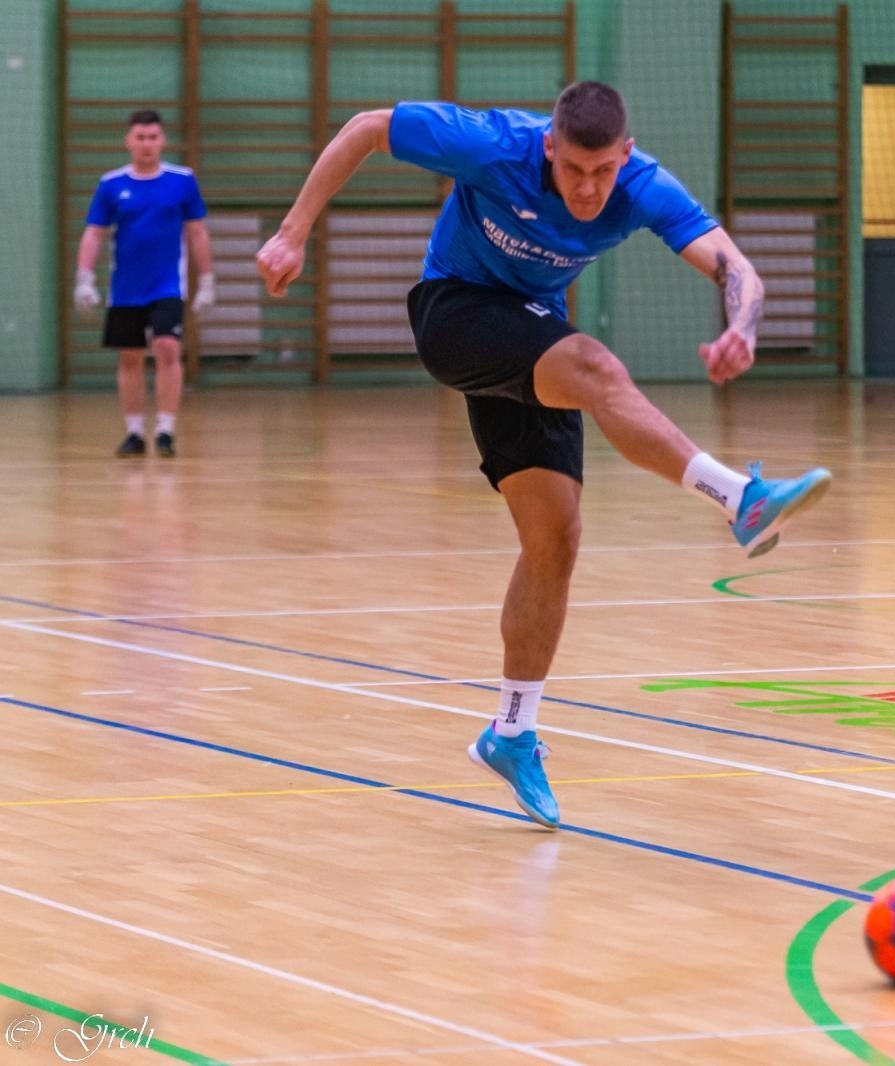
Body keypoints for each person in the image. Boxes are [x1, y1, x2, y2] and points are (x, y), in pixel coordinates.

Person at [255, 82, 831, 829]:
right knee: (597, 368)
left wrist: (743, 327)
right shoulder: (494, 144)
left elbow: (736, 269)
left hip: (533, 330)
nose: (589, 190)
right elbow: (368, 127)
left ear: (624, 155)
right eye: (574, 172)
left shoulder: (642, 185)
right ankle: (738, 499)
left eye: (604, 173)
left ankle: (512, 732)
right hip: (455, 311)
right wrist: (294, 232)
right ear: (551, 148)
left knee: (554, 539)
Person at [75, 109, 215, 458]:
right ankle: (135, 432)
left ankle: (165, 429)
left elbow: (197, 233)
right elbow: (94, 234)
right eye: (140, 137)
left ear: (162, 140)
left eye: (153, 137)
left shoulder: (182, 180)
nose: (147, 144)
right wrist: (84, 278)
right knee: (130, 357)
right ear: (129, 141)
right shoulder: (111, 185)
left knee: (168, 347)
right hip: (125, 288)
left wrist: (208, 280)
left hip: (167, 284)